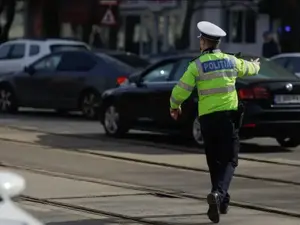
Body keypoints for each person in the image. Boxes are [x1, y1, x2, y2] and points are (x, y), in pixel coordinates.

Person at [169, 21, 260, 223]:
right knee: (229, 159)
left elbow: (180, 89)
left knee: (214, 160)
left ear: (203, 42)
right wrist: (257, 64)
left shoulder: (196, 65)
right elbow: (250, 68)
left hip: (208, 120)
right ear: (217, 43)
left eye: (200, 40)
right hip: (228, 118)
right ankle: (218, 195)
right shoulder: (231, 61)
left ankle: (220, 200)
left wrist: (174, 106)